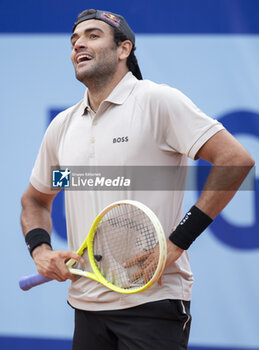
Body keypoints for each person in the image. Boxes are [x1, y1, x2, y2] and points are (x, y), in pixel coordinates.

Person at [21, 9, 254, 350]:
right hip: (86, 306)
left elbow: (235, 160)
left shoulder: (157, 102)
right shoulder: (64, 126)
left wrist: (177, 242)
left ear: (123, 49)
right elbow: (35, 200)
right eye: (74, 40)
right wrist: (40, 250)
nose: (78, 44)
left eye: (92, 35)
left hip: (153, 305)